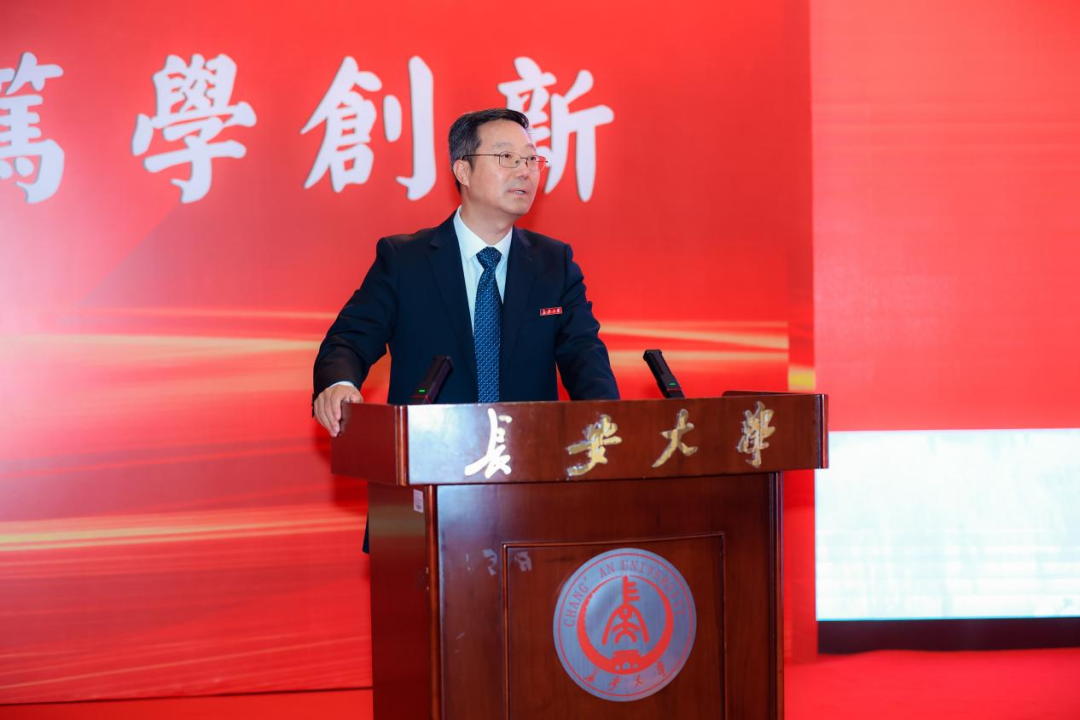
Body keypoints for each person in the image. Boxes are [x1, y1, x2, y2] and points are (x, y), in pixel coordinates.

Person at [313, 108, 618, 433]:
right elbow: (349, 341)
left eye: (531, 159)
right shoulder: (405, 261)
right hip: (430, 452)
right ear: (463, 171)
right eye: (507, 157)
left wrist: (613, 423)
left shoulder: (554, 264)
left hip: (530, 454)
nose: (525, 171)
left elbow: (585, 358)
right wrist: (339, 384)